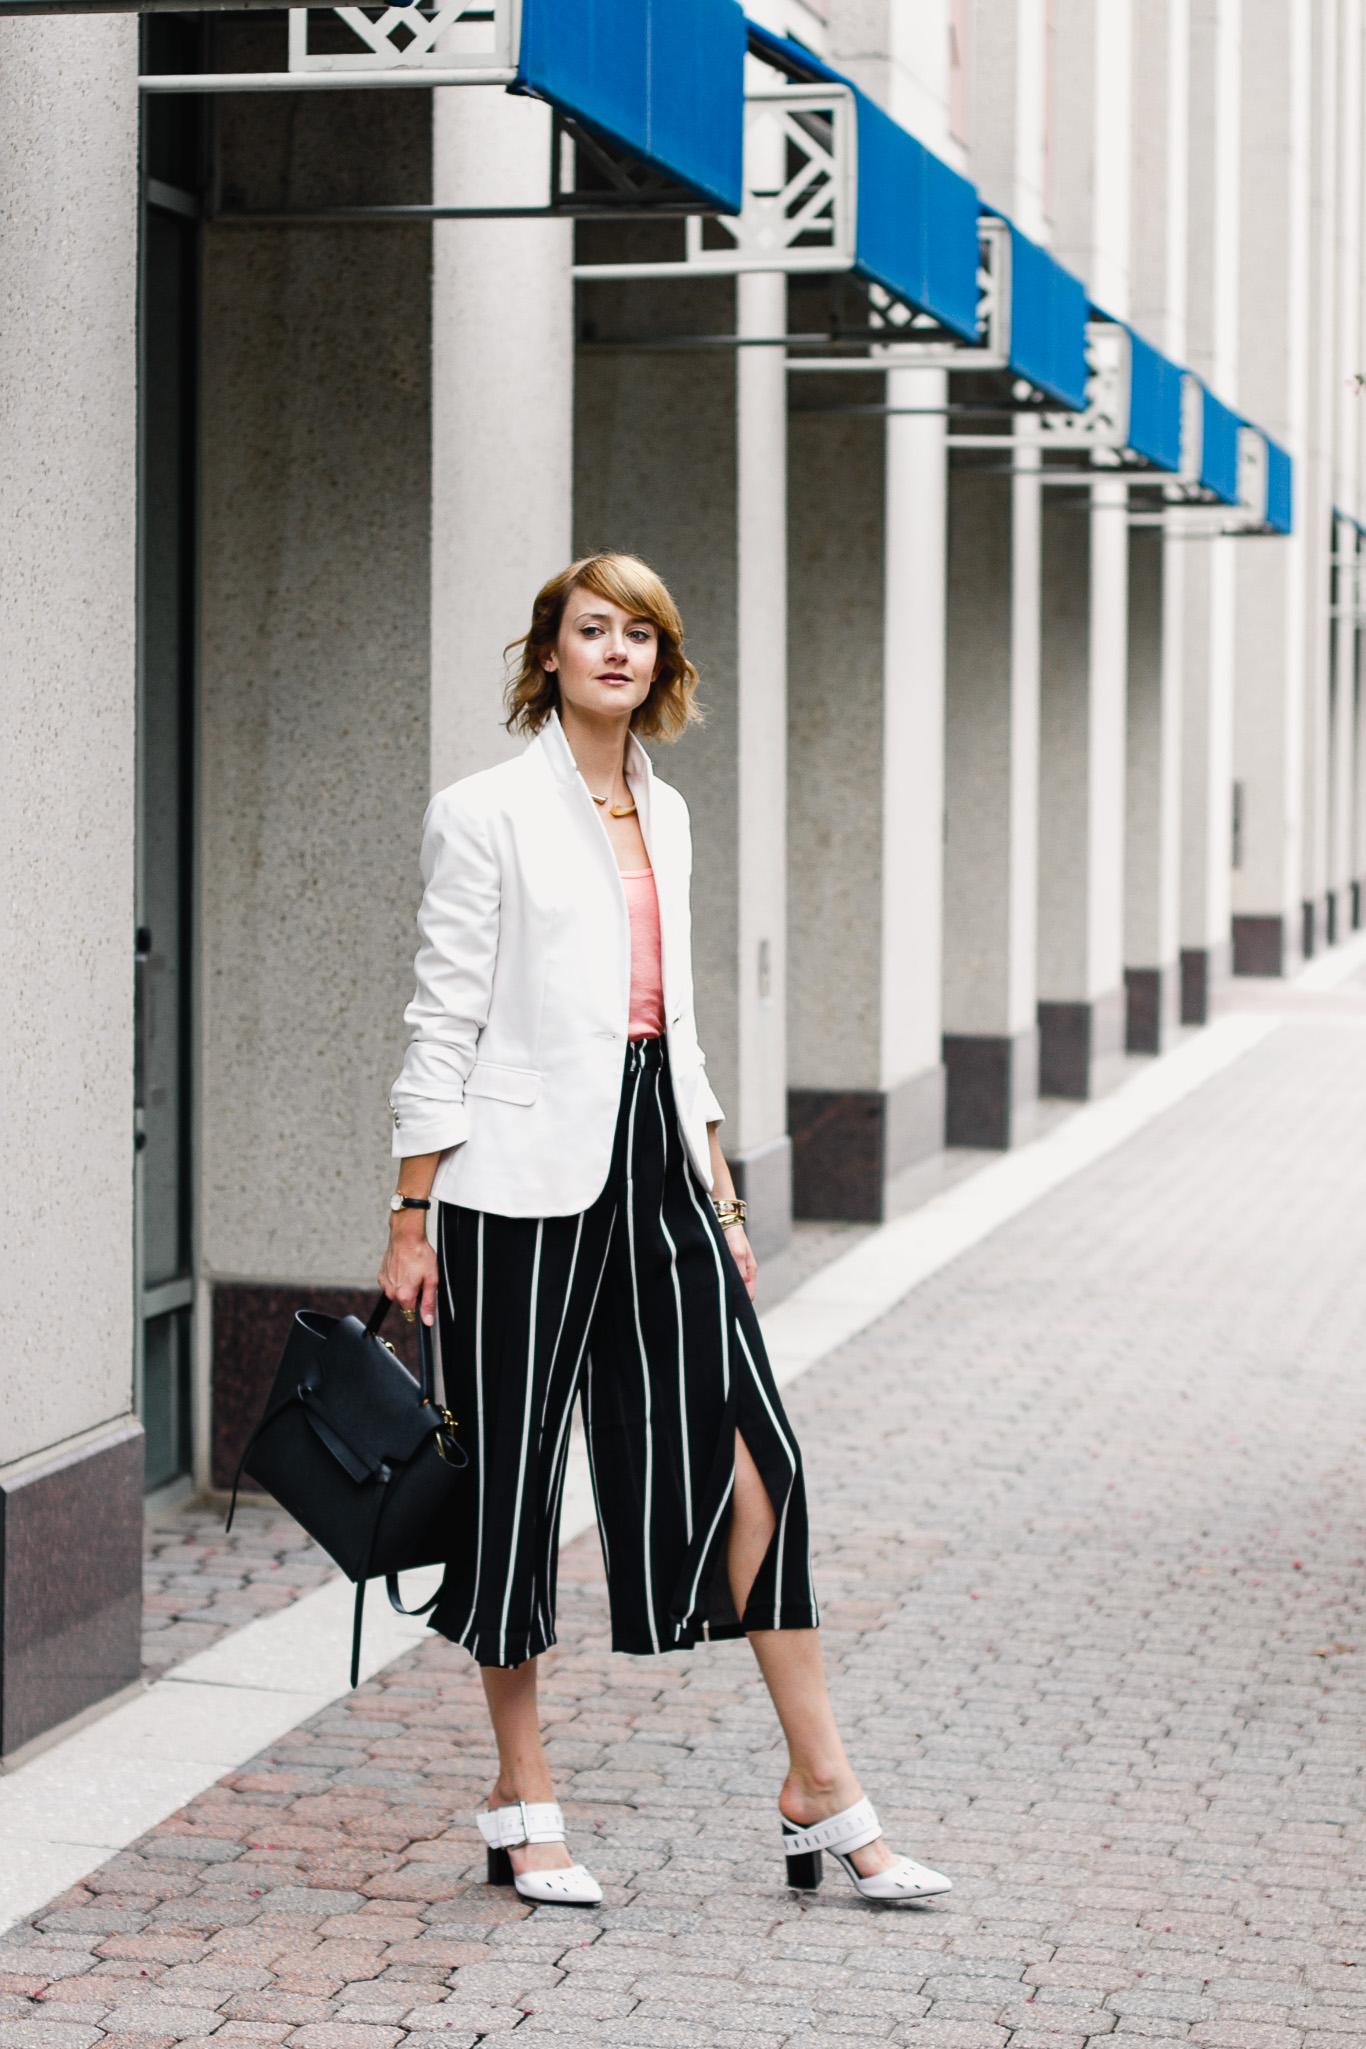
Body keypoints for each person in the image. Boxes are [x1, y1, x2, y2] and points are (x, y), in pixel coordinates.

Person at [378, 552, 950, 1908]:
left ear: (663, 659)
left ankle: (820, 1788)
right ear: (550, 653)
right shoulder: (486, 812)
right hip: (512, 1178)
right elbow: (439, 1017)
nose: (618, 650)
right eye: (593, 628)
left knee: (765, 1459)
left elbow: (676, 1024)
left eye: (641, 631)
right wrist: (411, 1212)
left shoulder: (668, 812)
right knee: (513, 1489)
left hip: (658, 1158)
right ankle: (523, 1797)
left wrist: (722, 1194)